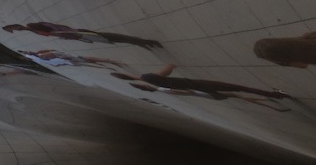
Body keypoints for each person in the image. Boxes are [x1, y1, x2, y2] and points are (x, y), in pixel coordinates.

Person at [111, 63, 290, 101]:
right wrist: (171, 65)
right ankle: (275, 94)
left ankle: (272, 98)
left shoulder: (153, 88)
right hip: (200, 84)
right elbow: (165, 71)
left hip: (202, 93)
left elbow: (182, 92)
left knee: (237, 94)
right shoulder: (147, 77)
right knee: (241, 88)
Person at [3, 22, 161, 49]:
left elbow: (57, 30)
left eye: (16, 29)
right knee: (113, 39)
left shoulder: (35, 27)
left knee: (113, 37)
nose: (18, 30)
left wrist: (80, 35)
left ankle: (146, 42)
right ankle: (143, 43)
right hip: (79, 34)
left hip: (79, 33)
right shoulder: (34, 29)